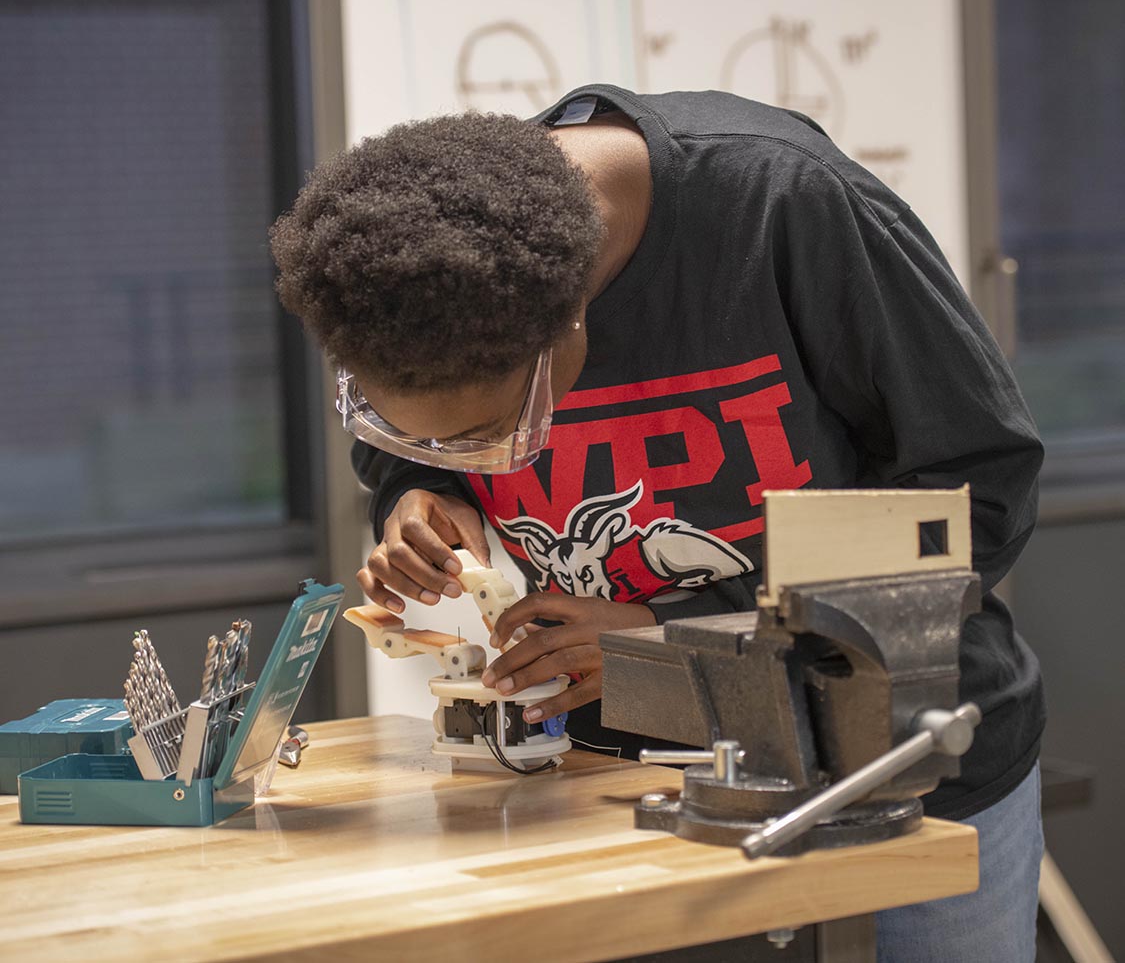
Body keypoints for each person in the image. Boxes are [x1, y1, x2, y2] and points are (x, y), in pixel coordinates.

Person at [270, 84, 1045, 961]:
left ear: (572, 323)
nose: (481, 465)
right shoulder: (425, 265)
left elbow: (977, 493)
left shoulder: (783, 207)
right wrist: (414, 492)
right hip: (619, 781)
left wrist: (673, 634)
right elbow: (408, 453)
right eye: (435, 440)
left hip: (888, 755)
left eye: (490, 436)